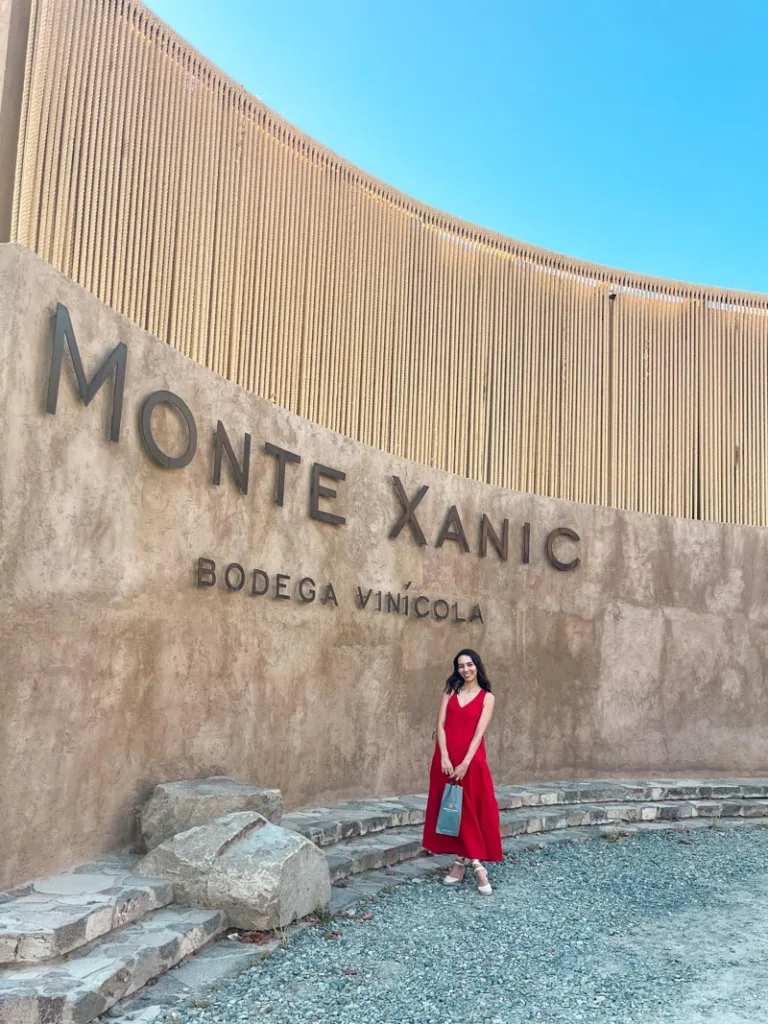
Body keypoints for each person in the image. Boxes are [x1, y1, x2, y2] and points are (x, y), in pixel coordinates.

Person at [422, 649, 503, 894]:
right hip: (445, 760)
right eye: (460, 666)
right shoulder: (450, 691)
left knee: (468, 811)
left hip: (471, 761)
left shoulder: (487, 697)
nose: (465, 669)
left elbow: (479, 733)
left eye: (469, 664)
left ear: (477, 666)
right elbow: (441, 725)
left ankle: (467, 864)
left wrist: (466, 762)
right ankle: (471, 863)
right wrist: (445, 757)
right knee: (452, 809)